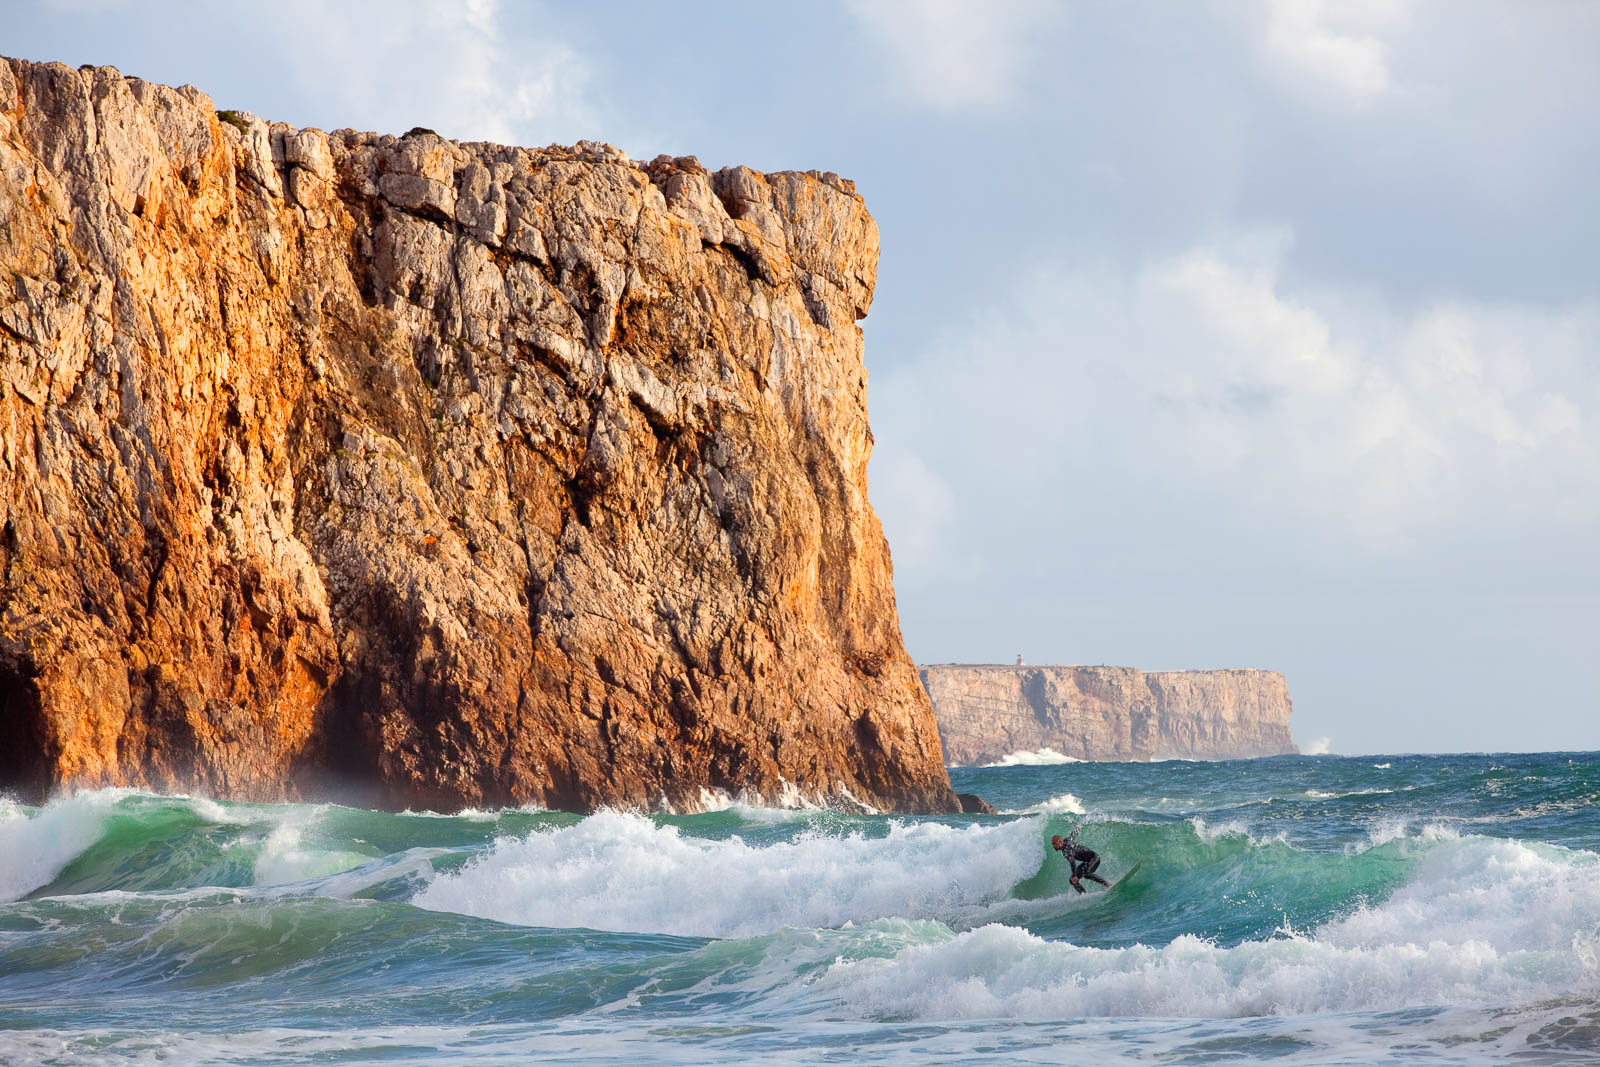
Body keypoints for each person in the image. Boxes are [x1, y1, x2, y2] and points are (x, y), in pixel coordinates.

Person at [1052, 822, 1109, 893]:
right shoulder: (1067, 840)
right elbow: (1073, 835)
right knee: (1073, 879)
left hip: (1094, 859)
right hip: (1088, 861)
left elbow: (1072, 863)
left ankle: (1107, 884)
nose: (1053, 846)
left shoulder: (1065, 850)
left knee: (1084, 873)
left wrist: (1075, 876)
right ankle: (1083, 894)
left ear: (1060, 842)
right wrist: (1078, 828)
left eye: (1054, 844)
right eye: (1052, 844)